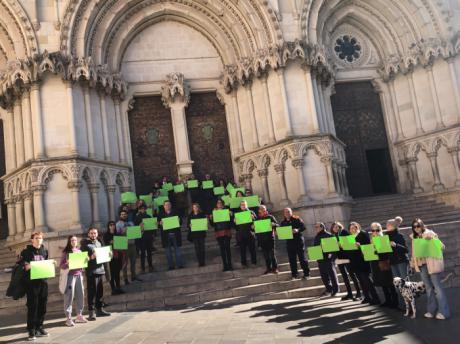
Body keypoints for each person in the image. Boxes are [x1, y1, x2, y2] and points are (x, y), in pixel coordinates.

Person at [410, 218, 450, 319]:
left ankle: (443, 312)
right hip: (421, 265)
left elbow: (442, 247)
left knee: (438, 288)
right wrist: (412, 263)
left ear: (422, 225)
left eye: (418, 226)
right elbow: (414, 252)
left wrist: (432, 239)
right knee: (428, 288)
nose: (416, 228)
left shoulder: (430, 233)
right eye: (414, 227)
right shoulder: (414, 237)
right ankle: (431, 310)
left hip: (432, 264)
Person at [21, 232, 50, 340]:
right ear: (32, 240)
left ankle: (40, 327)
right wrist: (28, 266)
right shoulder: (26, 252)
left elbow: (46, 263)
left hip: (43, 282)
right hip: (32, 284)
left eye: (40, 238)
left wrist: (51, 264)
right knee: (33, 306)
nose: (39, 240)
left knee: (43, 306)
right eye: (36, 238)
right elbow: (23, 265)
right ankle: (31, 330)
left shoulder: (44, 251)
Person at [81, 227, 111, 321]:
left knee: (100, 291)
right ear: (88, 234)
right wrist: (91, 257)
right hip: (91, 271)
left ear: (97, 234)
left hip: (100, 270)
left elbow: (104, 254)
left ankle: (100, 310)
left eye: (95, 233)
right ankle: (91, 313)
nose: (93, 235)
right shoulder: (85, 244)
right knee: (92, 292)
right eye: (91, 233)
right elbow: (82, 258)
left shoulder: (99, 242)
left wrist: (109, 254)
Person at [348, 222, 380, 305]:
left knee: (367, 280)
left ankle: (376, 298)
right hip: (355, 262)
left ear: (357, 227)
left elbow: (368, 245)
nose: (353, 229)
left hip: (363, 261)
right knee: (361, 281)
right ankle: (367, 297)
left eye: (354, 227)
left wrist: (360, 245)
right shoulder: (349, 237)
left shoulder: (363, 233)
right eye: (351, 228)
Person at [369, 222, 398, 308]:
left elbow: (387, 252)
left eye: (377, 230)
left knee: (389, 283)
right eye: (373, 230)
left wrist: (377, 248)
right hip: (376, 263)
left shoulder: (384, 238)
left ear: (380, 230)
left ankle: (394, 301)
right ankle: (387, 300)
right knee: (382, 283)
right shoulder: (372, 240)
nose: (375, 232)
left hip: (384, 262)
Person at [60, 235, 87, 327]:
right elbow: (61, 265)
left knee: (80, 294)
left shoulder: (79, 251)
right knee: (69, 296)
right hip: (70, 276)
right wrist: (67, 263)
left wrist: (85, 261)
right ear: (69, 241)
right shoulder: (66, 252)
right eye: (72, 240)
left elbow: (82, 264)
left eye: (75, 240)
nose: (74, 242)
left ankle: (79, 315)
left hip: (79, 274)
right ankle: (68, 318)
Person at [331, 221, 361, 300]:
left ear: (340, 226)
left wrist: (341, 244)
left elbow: (351, 243)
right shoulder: (333, 236)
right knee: (344, 277)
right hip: (339, 259)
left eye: (337, 226)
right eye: (334, 227)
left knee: (352, 275)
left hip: (347, 257)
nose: (336, 228)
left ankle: (358, 292)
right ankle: (349, 294)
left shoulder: (344, 232)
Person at [280, 208, 310, 280]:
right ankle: (294, 275)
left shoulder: (297, 219)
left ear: (291, 212)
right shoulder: (283, 223)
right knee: (292, 259)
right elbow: (282, 233)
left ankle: (306, 274)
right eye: (286, 212)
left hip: (298, 241)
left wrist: (298, 230)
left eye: (289, 212)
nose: (287, 213)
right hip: (290, 243)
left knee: (302, 258)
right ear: (284, 214)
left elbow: (303, 227)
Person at [313, 222, 339, 296]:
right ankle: (329, 289)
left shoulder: (329, 235)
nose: (316, 228)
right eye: (315, 227)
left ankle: (335, 290)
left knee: (332, 275)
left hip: (328, 259)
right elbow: (315, 247)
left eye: (317, 227)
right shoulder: (316, 237)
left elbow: (333, 248)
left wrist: (331, 256)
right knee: (324, 276)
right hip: (320, 259)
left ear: (322, 227)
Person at [116, 210, 141, 284]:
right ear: (120, 216)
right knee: (125, 263)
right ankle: (125, 278)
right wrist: (122, 232)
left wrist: (140, 229)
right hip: (124, 245)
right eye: (122, 214)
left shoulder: (131, 223)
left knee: (133, 262)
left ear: (127, 215)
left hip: (132, 244)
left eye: (125, 214)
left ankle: (133, 276)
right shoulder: (118, 224)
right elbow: (117, 235)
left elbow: (136, 233)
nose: (124, 215)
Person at [158, 200, 184, 270]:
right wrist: (159, 224)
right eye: (166, 205)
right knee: (168, 252)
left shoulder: (176, 212)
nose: (167, 206)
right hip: (166, 236)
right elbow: (158, 225)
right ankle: (171, 266)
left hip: (175, 234)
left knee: (177, 251)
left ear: (171, 205)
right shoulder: (160, 214)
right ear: (163, 206)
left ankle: (180, 264)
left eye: (169, 204)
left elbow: (180, 222)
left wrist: (179, 220)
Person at [210, 199, 233, 271]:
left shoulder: (227, 210)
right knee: (222, 249)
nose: (219, 204)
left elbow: (231, 221)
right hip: (218, 232)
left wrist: (231, 215)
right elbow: (213, 224)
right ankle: (225, 265)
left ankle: (230, 265)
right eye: (218, 203)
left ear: (223, 204)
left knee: (227, 248)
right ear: (216, 204)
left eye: (220, 203)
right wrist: (211, 219)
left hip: (226, 231)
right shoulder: (214, 212)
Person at [103, 221, 124, 295]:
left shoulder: (118, 234)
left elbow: (121, 244)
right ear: (108, 226)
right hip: (110, 256)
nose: (112, 226)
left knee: (117, 272)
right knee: (111, 273)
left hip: (118, 255)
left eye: (113, 225)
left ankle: (118, 287)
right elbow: (105, 245)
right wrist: (110, 243)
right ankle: (113, 289)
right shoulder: (106, 235)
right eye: (110, 225)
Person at [234, 200, 257, 267]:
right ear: (240, 206)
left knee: (252, 249)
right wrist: (234, 222)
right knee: (242, 250)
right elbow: (235, 226)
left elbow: (257, 222)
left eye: (244, 204)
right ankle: (243, 263)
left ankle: (254, 262)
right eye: (242, 205)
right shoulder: (237, 214)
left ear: (246, 205)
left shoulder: (251, 212)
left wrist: (253, 219)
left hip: (250, 233)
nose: (243, 206)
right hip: (241, 234)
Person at [256, 205, 279, 274]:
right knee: (265, 255)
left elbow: (277, 225)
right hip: (262, 239)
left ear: (266, 210)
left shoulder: (270, 217)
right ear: (259, 211)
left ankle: (275, 268)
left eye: (264, 209)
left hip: (270, 238)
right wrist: (253, 227)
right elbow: (255, 229)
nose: (262, 210)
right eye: (261, 209)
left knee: (272, 254)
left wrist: (274, 224)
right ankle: (268, 268)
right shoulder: (257, 219)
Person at [135, 204, 154, 273]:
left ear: (145, 209)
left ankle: (150, 266)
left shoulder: (149, 216)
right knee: (142, 253)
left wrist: (153, 225)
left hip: (148, 237)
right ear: (139, 209)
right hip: (141, 238)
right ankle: (142, 268)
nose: (143, 210)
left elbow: (152, 227)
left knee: (149, 252)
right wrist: (139, 226)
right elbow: (135, 228)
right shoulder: (137, 218)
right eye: (141, 209)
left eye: (144, 208)